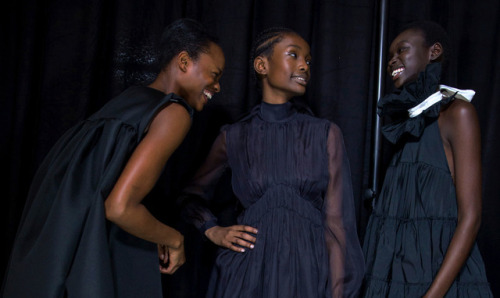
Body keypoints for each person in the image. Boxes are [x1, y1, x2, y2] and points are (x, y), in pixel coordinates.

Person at [1, 18, 225, 297]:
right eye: (214, 75)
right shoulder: (174, 113)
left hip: (58, 255)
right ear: (183, 61)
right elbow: (119, 207)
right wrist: (174, 239)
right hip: (94, 263)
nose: (217, 86)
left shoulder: (125, 104)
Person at [178, 27, 364, 297]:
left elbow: (338, 225)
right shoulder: (234, 136)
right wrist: (213, 230)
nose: (304, 65)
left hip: (308, 274)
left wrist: (338, 292)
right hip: (245, 275)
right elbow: (189, 196)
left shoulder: (325, 133)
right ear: (261, 65)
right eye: (294, 55)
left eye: (308, 60)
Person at [362, 20, 493, 297]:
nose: (392, 60)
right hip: (394, 277)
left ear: (433, 51)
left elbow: (471, 217)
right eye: (389, 56)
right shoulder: (405, 125)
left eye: (402, 50)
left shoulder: (457, 114)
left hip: (440, 281)